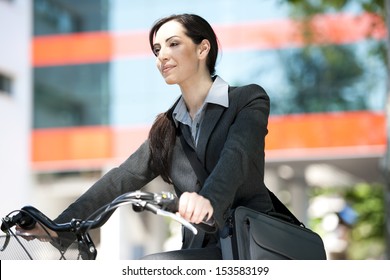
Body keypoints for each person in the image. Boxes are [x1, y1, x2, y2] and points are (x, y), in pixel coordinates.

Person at [18, 13, 274, 260]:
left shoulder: (247, 100)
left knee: (152, 266)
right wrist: (58, 226)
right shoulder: (167, 128)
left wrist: (208, 199)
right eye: (157, 49)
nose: (162, 56)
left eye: (173, 44)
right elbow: (122, 178)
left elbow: (237, 155)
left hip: (251, 243)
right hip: (200, 249)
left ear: (202, 49)